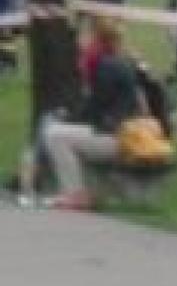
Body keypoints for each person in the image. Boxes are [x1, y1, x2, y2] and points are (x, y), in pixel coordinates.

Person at [41, 18, 148, 209]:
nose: (81, 40)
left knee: (54, 134)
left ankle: (75, 194)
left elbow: (95, 109)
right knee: (59, 129)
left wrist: (69, 118)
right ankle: (81, 191)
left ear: (96, 38)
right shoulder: (117, 62)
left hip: (118, 137)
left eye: (86, 35)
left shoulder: (106, 67)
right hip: (125, 133)